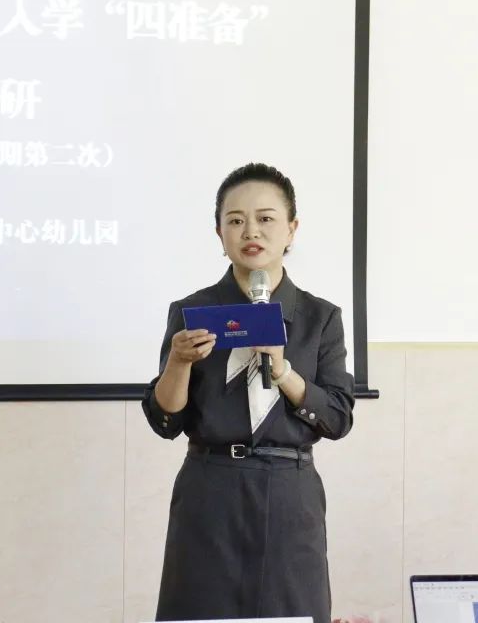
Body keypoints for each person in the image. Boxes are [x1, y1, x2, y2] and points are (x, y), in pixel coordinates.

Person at [142, 162, 355, 623]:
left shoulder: (321, 317)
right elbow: (166, 421)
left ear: (291, 229)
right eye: (235, 220)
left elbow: (337, 418)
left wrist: (284, 372)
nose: (250, 231)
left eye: (265, 218)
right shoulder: (192, 311)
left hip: (290, 490)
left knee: (292, 611)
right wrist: (178, 362)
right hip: (211, 487)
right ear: (219, 234)